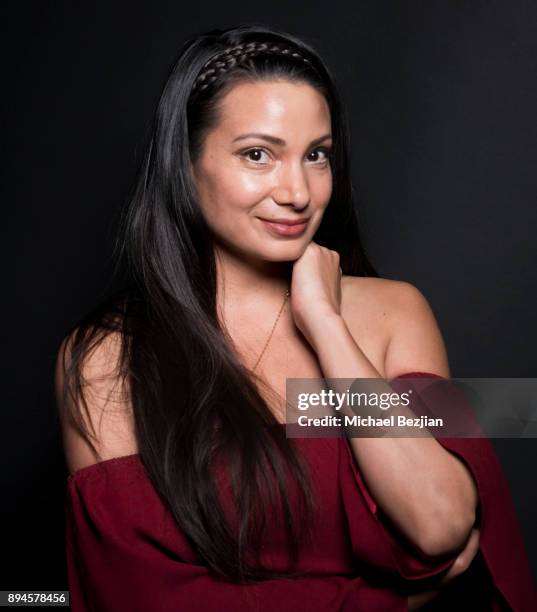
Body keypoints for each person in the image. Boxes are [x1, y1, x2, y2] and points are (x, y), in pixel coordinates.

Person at [55, 24, 537, 611]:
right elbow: (143, 598)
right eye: (258, 154)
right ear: (185, 164)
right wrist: (388, 604)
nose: (298, 192)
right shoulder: (109, 357)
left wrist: (327, 325)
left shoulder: (392, 311)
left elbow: (438, 521)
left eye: (317, 155)